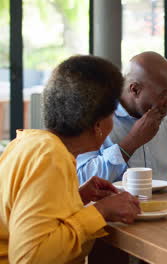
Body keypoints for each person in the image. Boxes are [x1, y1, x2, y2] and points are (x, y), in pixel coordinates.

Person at [0, 55, 141, 263]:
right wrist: (99, 211)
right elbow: (29, 258)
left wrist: (76, 198)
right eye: (111, 115)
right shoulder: (51, 156)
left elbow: (24, 213)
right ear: (98, 126)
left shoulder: (27, 143)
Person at [77, 51, 167, 184]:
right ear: (135, 90)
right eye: (164, 94)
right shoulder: (95, 120)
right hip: (120, 209)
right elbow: (81, 179)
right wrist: (132, 141)